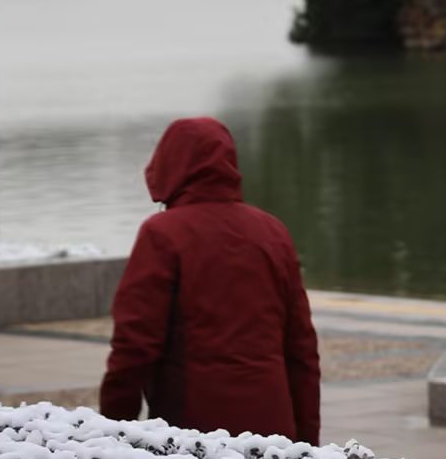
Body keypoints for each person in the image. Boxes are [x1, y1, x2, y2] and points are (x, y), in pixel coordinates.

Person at [98, 116, 321, 441]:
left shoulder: (163, 234)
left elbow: (135, 345)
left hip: (193, 428)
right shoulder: (272, 232)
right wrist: (308, 441)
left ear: (168, 162)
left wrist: (114, 431)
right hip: (273, 426)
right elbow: (301, 349)